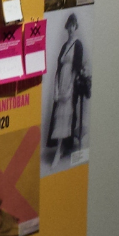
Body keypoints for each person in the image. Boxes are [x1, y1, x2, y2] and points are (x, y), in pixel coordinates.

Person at [48, 13, 86, 167]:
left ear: (75, 27)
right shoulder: (64, 46)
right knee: (58, 114)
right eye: (68, 26)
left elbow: (76, 69)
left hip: (70, 82)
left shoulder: (78, 45)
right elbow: (59, 67)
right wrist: (56, 88)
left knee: (66, 114)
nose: (70, 29)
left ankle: (60, 149)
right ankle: (59, 146)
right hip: (62, 79)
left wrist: (70, 87)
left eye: (73, 26)